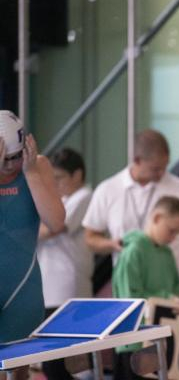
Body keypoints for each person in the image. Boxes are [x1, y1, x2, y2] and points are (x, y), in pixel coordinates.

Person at [82, 129, 179, 303]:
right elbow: (90, 237)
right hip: (131, 295)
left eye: (165, 167)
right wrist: (111, 244)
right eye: (156, 169)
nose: (161, 174)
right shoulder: (108, 190)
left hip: (176, 296)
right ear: (137, 161)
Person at [0, 110, 65, 379]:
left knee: (19, 370)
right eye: (5, 160)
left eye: (16, 157)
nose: (11, 165)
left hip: (22, 288)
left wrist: (32, 173)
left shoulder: (38, 166)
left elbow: (56, 222)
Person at [112, 196, 179, 380]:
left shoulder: (167, 254)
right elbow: (129, 300)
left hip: (159, 340)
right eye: (171, 231)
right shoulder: (133, 251)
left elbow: (176, 288)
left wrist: (177, 304)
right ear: (156, 218)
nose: (173, 238)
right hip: (132, 342)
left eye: (177, 234)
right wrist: (167, 300)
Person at [37, 147, 94, 380]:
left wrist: (21, 230)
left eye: (59, 177)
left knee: (68, 365)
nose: (55, 183)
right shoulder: (58, 200)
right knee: (52, 363)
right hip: (49, 289)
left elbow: (55, 227)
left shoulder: (84, 196)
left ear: (77, 175)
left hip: (68, 289)